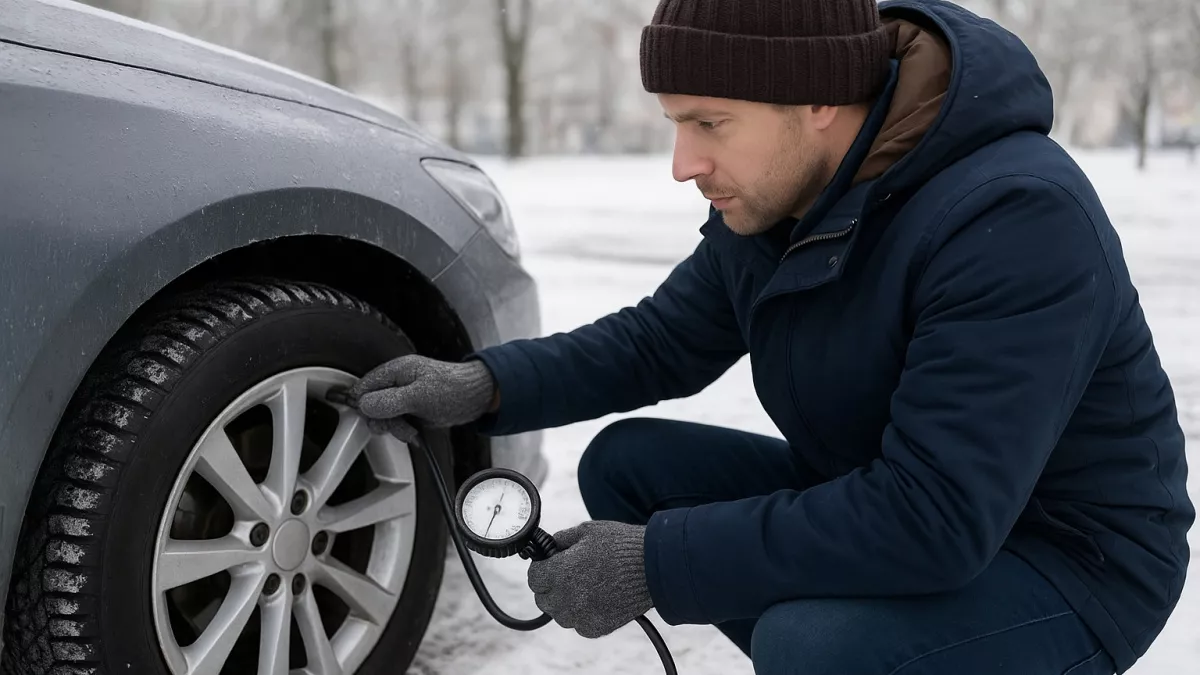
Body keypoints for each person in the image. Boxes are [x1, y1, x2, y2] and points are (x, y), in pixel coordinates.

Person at [344, 0, 1194, 672]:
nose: (683, 162)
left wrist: (660, 564)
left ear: (818, 100)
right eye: (676, 123)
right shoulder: (784, 196)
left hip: (1068, 560)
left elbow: (936, 515)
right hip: (888, 487)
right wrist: (485, 384)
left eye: (709, 124)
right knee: (630, 467)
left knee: (814, 643)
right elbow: (657, 342)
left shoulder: (1012, 215)